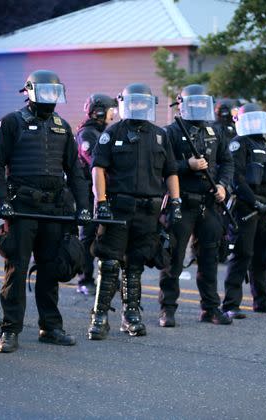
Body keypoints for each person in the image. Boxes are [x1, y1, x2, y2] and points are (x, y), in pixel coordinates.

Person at [0, 69, 90, 353]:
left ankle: (51, 327)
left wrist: (83, 207)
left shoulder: (62, 126)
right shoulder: (11, 123)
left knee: (50, 270)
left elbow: (75, 171)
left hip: (54, 209)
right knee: (16, 270)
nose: (49, 98)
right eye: (44, 92)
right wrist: (3, 199)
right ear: (30, 92)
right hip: (21, 209)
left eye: (53, 92)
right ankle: (10, 330)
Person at [88, 82, 181, 340]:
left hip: (148, 212)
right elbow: (98, 169)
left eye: (143, 102)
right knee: (108, 263)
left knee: (135, 265)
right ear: (123, 104)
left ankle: (131, 315)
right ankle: (99, 316)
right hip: (118, 209)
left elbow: (171, 171)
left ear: (150, 105)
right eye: (133, 102)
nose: (138, 106)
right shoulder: (112, 133)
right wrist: (101, 202)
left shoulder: (160, 136)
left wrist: (176, 202)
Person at [158, 84, 233, 327]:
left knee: (210, 258)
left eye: (203, 103)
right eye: (195, 103)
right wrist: (186, 165)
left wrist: (223, 186)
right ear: (182, 104)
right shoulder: (170, 132)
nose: (200, 107)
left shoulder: (216, 131)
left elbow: (226, 162)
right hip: (182, 202)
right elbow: (161, 166)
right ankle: (167, 308)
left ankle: (210, 308)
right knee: (174, 259)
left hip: (209, 204)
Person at [222, 103, 266, 318]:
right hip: (245, 208)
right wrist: (252, 200)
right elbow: (236, 177)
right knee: (242, 254)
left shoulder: (263, 146)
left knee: (260, 256)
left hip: (265, 208)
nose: (255, 123)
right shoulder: (239, 144)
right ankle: (230, 304)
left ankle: (262, 301)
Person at [75, 93, 117, 295]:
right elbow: (93, 160)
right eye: (111, 110)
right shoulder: (87, 134)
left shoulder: (103, 132)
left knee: (107, 235)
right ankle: (85, 279)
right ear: (99, 111)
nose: (113, 114)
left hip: (104, 191)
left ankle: (106, 278)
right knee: (88, 236)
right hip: (89, 192)